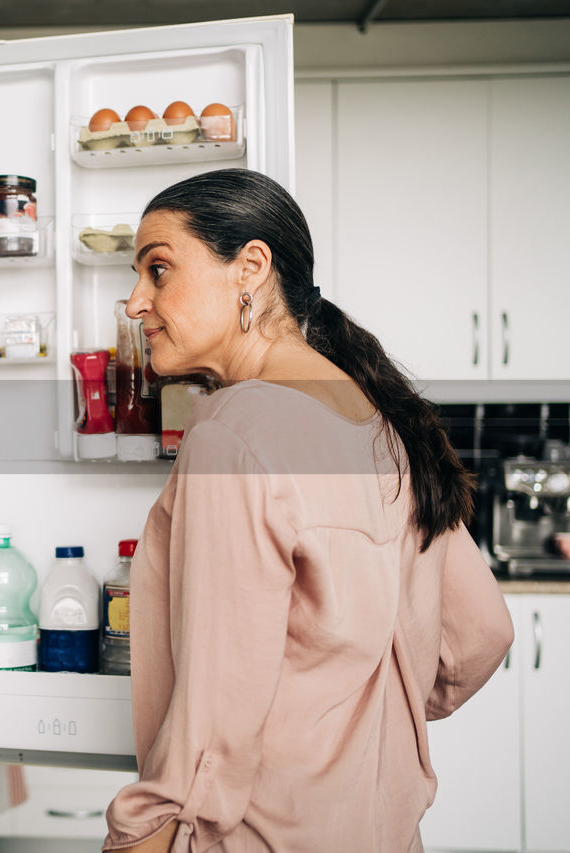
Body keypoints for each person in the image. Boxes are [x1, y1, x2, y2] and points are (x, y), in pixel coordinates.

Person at [103, 169, 514, 853]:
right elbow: (482, 634)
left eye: (159, 269)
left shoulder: (236, 432)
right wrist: (366, 719)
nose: (135, 300)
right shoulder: (382, 419)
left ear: (251, 268)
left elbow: (206, 740)